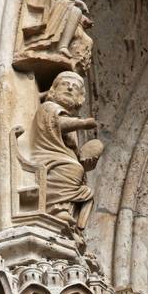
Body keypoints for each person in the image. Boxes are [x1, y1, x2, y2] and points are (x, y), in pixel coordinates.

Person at [29, 71, 102, 233]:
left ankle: (67, 213)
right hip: (45, 156)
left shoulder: (69, 118)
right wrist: (83, 123)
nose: (69, 88)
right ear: (53, 90)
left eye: (74, 87)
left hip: (60, 159)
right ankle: (55, 208)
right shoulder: (49, 108)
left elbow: (70, 149)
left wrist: (86, 160)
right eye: (64, 84)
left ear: (79, 99)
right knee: (71, 169)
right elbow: (57, 124)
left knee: (84, 185)